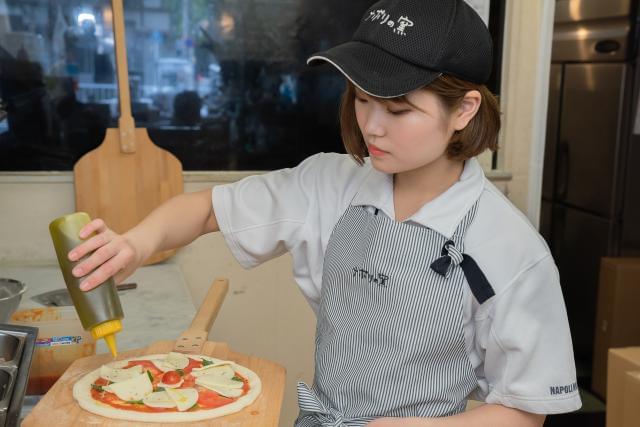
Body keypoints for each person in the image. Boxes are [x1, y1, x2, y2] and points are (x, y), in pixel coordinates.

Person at [68, 1, 582, 425]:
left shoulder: (511, 250)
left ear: (464, 110)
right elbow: (205, 210)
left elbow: (523, 409)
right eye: (360, 99)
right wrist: (135, 243)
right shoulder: (330, 185)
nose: (371, 126)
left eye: (398, 109)